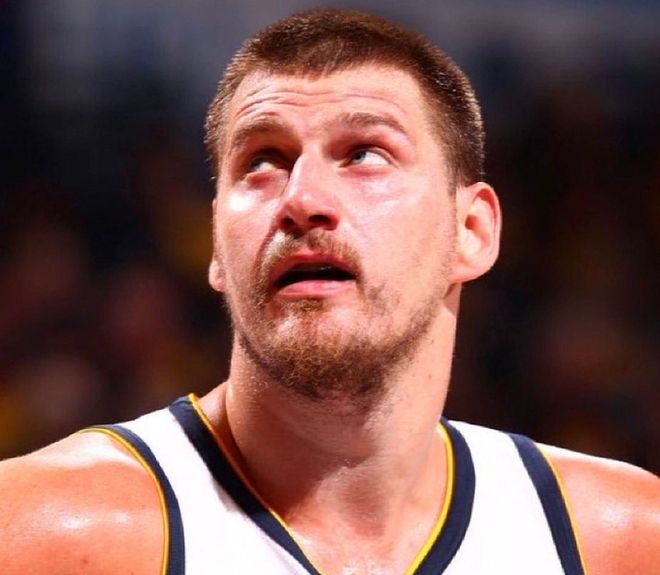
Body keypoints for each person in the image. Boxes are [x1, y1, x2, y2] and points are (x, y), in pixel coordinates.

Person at [0, 8, 658, 575]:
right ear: (217, 245)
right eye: (262, 160)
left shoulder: (623, 539)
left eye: (365, 153)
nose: (302, 199)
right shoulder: (45, 531)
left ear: (472, 231)